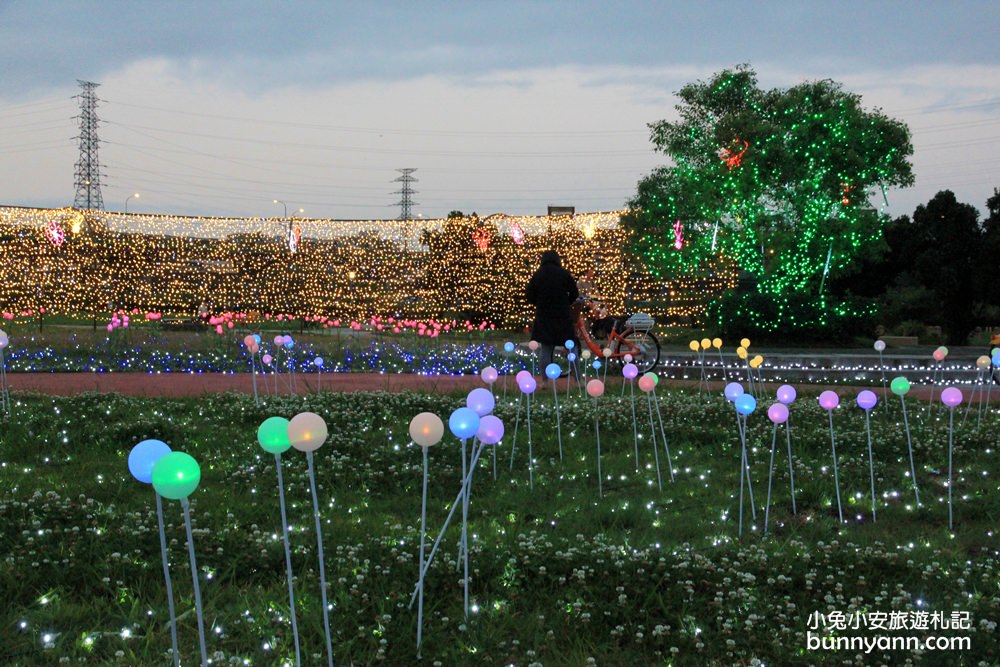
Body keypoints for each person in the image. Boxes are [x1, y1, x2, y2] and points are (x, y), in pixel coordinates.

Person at [526, 250, 579, 381]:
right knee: (572, 347)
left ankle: (545, 381)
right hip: (562, 315)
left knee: (546, 349)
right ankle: (578, 380)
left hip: (544, 316)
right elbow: (574, 292)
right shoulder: (564, 274)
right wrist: (567, 302)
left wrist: (539, 303)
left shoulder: (538, 274)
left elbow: (529, 295)